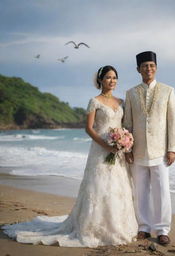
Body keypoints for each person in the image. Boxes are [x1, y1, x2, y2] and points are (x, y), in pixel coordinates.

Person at [2, 65, 138, 247]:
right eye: (107, 77)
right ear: (100, 80)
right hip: (100, 149)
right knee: (99, 187)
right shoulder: (94, 101)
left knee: (118, 187)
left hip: (118, 152)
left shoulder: (121, 102)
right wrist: (106, 144)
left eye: (114, 77)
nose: (112, 81)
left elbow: (124, 126)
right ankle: (93, 227)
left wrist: (124, 143)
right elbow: (89, 128)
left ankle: (118, 226)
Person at [124, 51, 175, 245]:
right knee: (140, 190)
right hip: (137, 151)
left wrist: (172, 148)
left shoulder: (168, 90)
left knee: (162, 191)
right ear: (138, 69)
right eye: (145, 66)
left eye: (152, 66)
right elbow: (128, 123)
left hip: (160, 151)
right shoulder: (130, 93)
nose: (148, 69)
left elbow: (173, 122)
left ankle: (163, 229)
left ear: (156, 68)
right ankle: (144, 227)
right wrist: (127, 149)